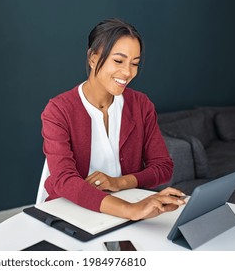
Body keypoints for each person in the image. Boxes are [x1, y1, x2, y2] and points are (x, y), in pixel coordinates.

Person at [41, 18, 185, 221]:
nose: (128, 72)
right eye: (118, 61)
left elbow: (163, 167)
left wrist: (119, 183)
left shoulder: (141, 105)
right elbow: (64, 180)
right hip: (72, 210)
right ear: (92, 58)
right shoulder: (58, 110)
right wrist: (130, 210)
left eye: (134, 64)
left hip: (125, 204)